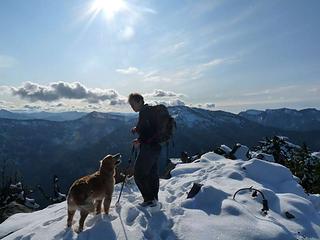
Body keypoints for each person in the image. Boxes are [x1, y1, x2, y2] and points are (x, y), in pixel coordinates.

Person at [128, 93, 162, 207]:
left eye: (133, 104)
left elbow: (150, 133)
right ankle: (154, 199)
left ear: (139, 102)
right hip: (156, 147)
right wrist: (137, 129)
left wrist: (140, 141)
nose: (132, 107)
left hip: (149, 149)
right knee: (152, 174)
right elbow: (149, 129)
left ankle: (148, 199)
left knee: (138, 174)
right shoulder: (149, 111)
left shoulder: (144, 112)